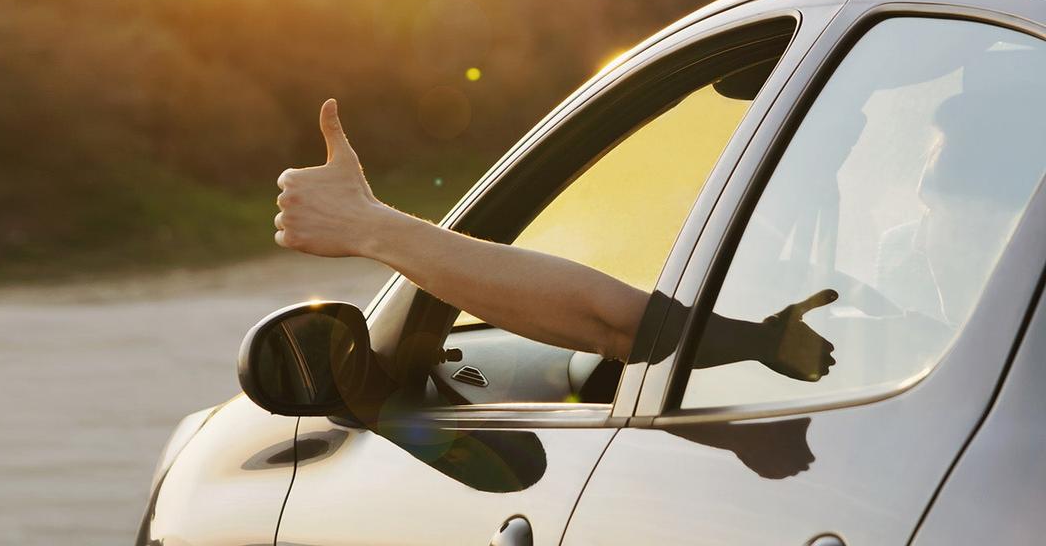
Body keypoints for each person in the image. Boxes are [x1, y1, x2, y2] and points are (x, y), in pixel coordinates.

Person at [275, 98, 836, 382]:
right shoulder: (894, 291)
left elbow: (614, 323)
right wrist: (765, 340)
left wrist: (370, 226)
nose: (931, 137)